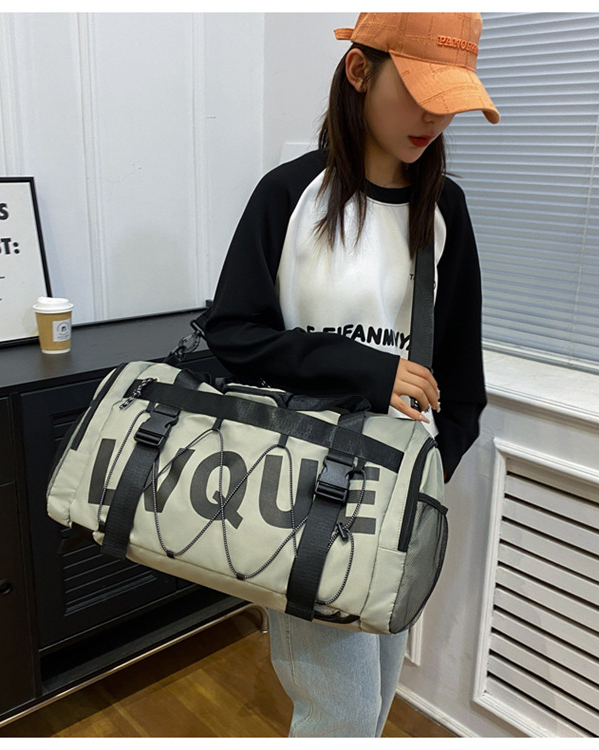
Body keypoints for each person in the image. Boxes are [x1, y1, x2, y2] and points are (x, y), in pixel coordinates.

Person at [204, 12, 499, 738]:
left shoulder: (445, 208)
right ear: (361, 72)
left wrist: (434, 464)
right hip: (298, 487)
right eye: (420, 92)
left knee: (376, 698)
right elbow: (233, 332)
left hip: (399, 496)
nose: (435, 118)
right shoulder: (288, 194)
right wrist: (367, 370)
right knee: (339, 715)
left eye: (449, 100)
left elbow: (460, 372)